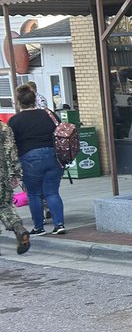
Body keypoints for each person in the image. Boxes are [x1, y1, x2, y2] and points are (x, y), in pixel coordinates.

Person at [7, 84, 65, 236]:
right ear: (34, 100)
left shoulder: (14, 121)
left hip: (29, 158)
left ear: (19, 102)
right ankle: (59, 224)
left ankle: (39, 227)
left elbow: (11, 144)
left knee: (34, 194)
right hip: (53, 156)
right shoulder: (49, 114)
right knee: (52, 192)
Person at [0, 118, 30, 254]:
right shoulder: (3, 128)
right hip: (2, 174)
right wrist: (15, 173)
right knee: (4, 205)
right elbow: (11, 151)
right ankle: (18, 227)